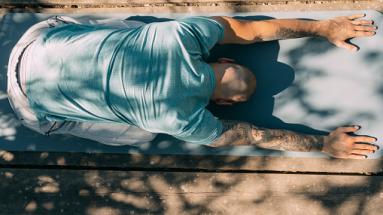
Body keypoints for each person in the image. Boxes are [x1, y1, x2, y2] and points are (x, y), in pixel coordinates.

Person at [7, 13, 379, 159]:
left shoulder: (182, 36)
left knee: (138, 29)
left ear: (225, 61)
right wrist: (322, 144)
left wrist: (322, 28)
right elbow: (254, 135)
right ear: (222, 103)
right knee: (140, 134)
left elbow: (252, 31)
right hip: (29, 107)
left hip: (36, 41)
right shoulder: (180, 118)